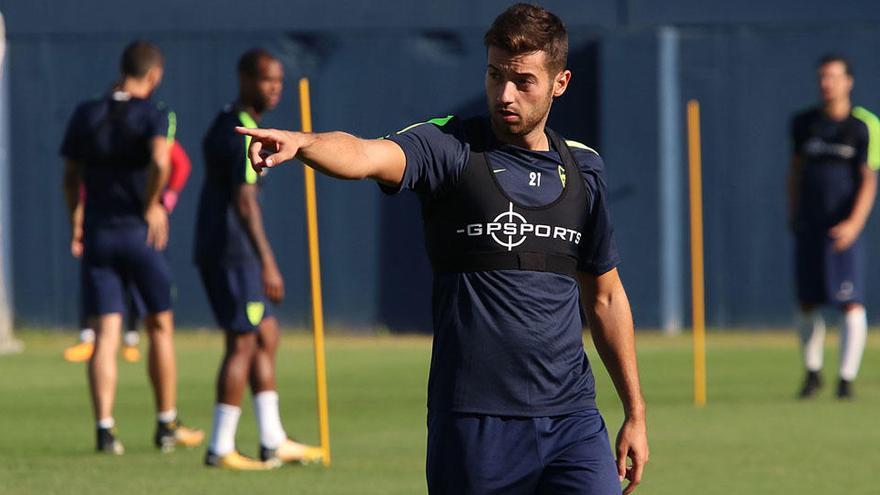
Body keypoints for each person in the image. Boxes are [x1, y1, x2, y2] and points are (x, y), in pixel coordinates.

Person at [237, 5, 649, 493]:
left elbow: (604, 296)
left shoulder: (585, 170)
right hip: (475, 423)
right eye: (495, 75)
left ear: (560, 82)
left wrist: (635, 413)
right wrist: (303, 143)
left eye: (523, 80)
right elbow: (366, 154)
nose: (505, 94)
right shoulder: (450, 147)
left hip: (572, 422)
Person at [61, 40, 204, 454]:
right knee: (159, 325)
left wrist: (76, 216)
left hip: (100, 232)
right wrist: (151, 206)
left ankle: (105, 430)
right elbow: (162, 161)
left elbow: (71, 174)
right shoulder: (155, 114)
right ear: (154, 75)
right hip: (141, 234)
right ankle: (165, 424)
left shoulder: (86, 113)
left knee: (106, 333)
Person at [195, 48, 322, 470]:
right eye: (267, 79)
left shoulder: (228, 119)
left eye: (280, 81)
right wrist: (267, 262)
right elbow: (245, 202)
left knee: (266, 334)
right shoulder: (243, 131)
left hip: (225, 248)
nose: (275, 88)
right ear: (245, 78)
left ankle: (272, 439)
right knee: (244, 340)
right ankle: (220, 446)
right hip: (234, 252)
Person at [788, 54, 879, 399]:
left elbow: (869, 179)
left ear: (848, 82)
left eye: (833, 77)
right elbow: (794, 171)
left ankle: (846, 378)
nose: (827, 83)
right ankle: (812, 373)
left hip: (843, 229)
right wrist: (793, 213)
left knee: (849, 301)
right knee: (807, 301)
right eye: (822, 77)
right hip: (809, 225)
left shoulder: (863, 126)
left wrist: (854, 223)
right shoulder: (803, 123)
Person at [64, 139, 192, 364]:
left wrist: (164, 201)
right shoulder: (98, 123)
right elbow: (81, 177)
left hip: (142, 225)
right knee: (98, 288)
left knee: (145, 298)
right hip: (104, 222)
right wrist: (80, 213)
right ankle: (87, 336)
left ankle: (131, 338)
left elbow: (177, 164)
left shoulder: (153, 125)